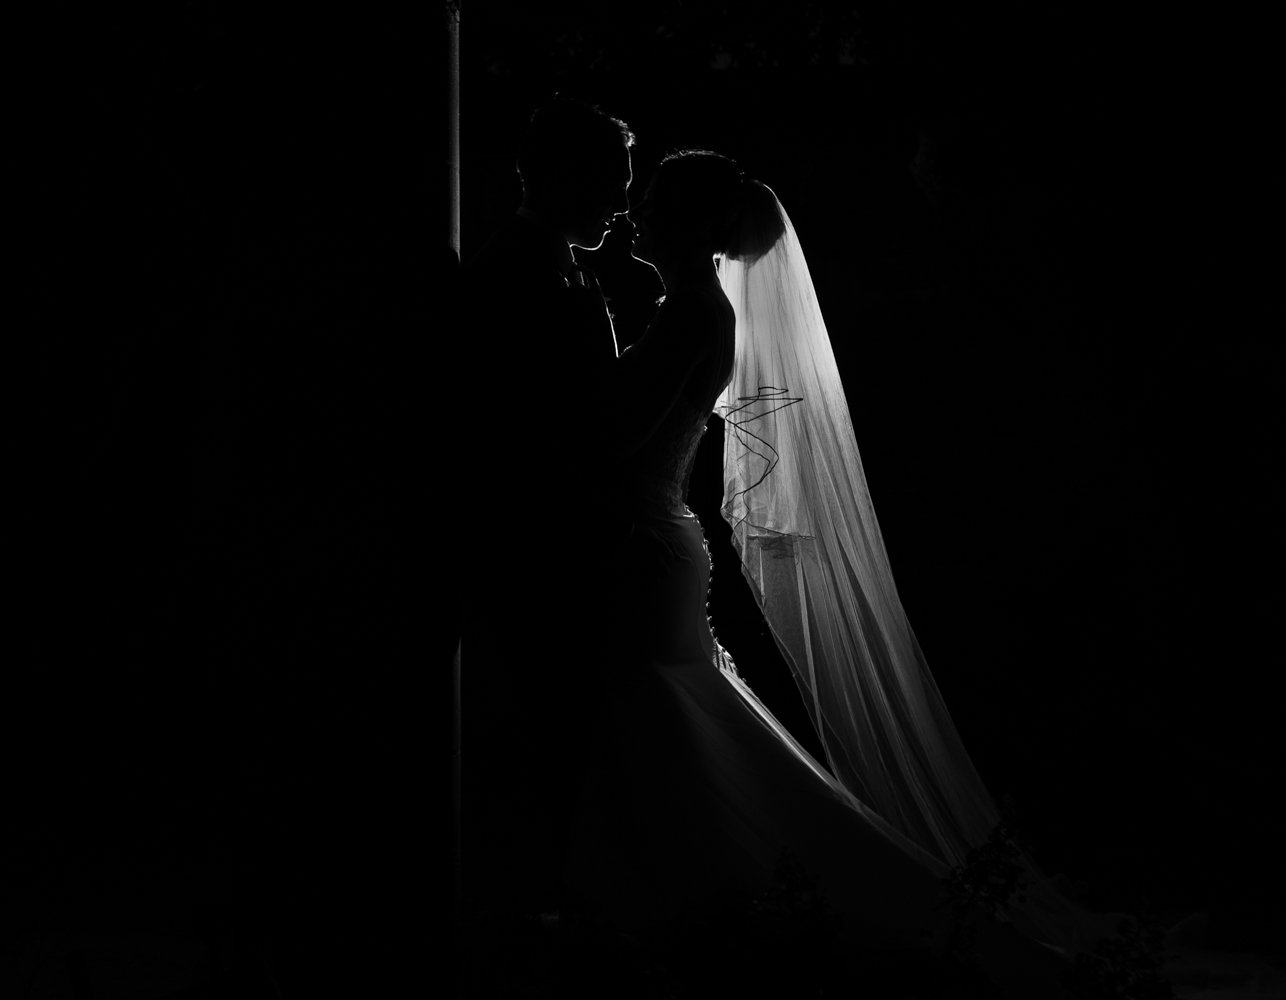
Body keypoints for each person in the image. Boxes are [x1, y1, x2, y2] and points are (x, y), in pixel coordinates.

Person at [564, 149, 1093, 996]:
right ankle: (706, 915)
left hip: (645, 551)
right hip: (651, 544)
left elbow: (606, 445)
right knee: (683, 741)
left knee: (669, 735)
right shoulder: (689, 310)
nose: (634, 211)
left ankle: (765, 917)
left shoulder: (693, 316)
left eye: (654, 199)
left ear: (698, 227)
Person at [457, 98, 634, 932]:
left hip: (574, 557)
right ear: (561, 176)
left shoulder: (568, 268)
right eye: (612, 181)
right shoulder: (504, 278)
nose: (623, 202)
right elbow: (504, 439)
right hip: (534, 566)